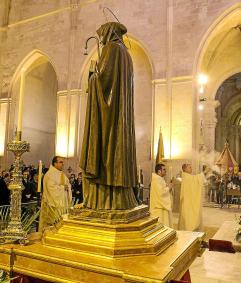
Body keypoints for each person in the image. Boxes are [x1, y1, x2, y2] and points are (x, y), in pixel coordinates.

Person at [80, 21, 138, 210]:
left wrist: (92, 75)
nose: (102, 40)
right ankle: (118, 199)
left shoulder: (112, 49)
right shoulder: (126, 54)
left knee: (107, 149)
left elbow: (103, 80)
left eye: (102, 35)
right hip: (120, 114)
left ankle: (104, 201)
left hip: (110, 118)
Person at [39, 156, 72, 232]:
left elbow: (68, 185)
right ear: (55, 163)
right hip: (52, 205)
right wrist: (63, 188)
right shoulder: (49, 174)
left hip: (62, 204)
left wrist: (67, 187)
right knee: (51, 226)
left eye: (62, 162)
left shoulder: (62, 174)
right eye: (60, 162)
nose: (62, 164)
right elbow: (51, 189)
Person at [178, 163, 204, 231]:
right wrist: (203, 174)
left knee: (188, 218)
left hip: (189, 201)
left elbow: (194, 180)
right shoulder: (186, 176)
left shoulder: (188, 177)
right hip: (187, 202)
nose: (191, 169)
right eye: (189, 167)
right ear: (185, 169)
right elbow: (195, 180)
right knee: (187, 219)